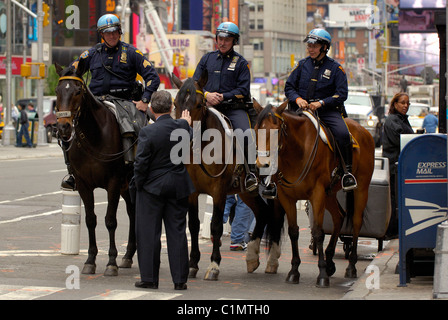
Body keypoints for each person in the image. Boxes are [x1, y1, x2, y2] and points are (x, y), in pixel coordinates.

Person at [61, 14, 160, 190]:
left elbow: (152, 77)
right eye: (107, 33)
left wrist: (145, 100)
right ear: (102, 35)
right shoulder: (91, 54)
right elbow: (73, 70)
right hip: (96, 100)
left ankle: (135, 169)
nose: (112, 36)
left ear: (119, 32)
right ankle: (73, 172)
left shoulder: (131, 53)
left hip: (124, 101)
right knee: (67, 129)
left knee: (137, 128)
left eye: (114, 32)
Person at [272, 28, 355, 199]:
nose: (310, 48)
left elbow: (341, 94)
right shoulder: (302, 65)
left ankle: (347, 172)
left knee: (343, 134)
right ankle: (270, 179)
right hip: (299, 111)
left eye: (315, 45)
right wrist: (297, 99)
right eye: (309, 45)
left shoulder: (336, 69)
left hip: (326, 112)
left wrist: (321, 103)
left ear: (325, 47)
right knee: (275, 132)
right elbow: (289, 87)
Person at [133, 90, 194, 291]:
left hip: (152, 188)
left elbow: (140, 164)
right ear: (171, 108)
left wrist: (139, 185)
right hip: (178, 186)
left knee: (149, 233)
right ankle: (179, 280)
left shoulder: (147, 132)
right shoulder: (182, 128)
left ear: (151, 109)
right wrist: (185, 123)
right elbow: (188, 136)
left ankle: (149, 278)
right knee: (177, 232)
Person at [193, 22, 258, 192]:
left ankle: (251, 173)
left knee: (246, 135)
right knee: (185, 130)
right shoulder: (206, 59)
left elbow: (243, 90)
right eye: (220, 39)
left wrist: (223, 96)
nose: (222, 43)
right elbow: (194, 83)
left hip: (233, 108)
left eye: (227, 40)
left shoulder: (242, 63)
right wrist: (206, 95)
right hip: (207, 107)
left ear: (234, 41)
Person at [382, 92, 414, 238]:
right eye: (402, 103)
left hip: (402, 167)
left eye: (407, 103)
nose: (405, 106)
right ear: (395, 104)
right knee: (394, 199)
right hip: (394, 167)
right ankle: (391, 230)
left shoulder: (402, 120)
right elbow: (401, 141)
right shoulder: (392, 120)